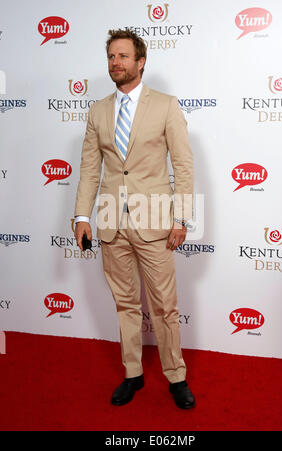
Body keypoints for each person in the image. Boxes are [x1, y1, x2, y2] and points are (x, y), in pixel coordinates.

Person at [74, 29, 195, 409]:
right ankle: (133, 374)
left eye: (123, 56)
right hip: (111, 222)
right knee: (125, 304)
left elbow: (184, 165)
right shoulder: (97, 111)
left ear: (140, 62)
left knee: (164, 307)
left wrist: (182, 218)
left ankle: (176, 376)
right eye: (111, 57)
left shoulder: (166, 105)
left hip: (156, 222)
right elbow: (90, 168)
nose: (116, 63)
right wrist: (81, 215)